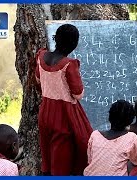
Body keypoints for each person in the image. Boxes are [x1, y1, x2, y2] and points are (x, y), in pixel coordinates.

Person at [35, 24, 93, 175]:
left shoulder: (41, 57)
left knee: (47, 150)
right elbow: (78, 93)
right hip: (65, 114)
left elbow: (38, 78)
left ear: (56, 38)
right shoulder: (69, 64)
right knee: (65, 153)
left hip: (45, 109)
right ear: (74, 43)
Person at [83, 100, 137, 176]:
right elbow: (136, 161)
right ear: (130, 121)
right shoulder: (131, 137)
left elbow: (90, 160)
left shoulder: (95, 135)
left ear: (110, 117)